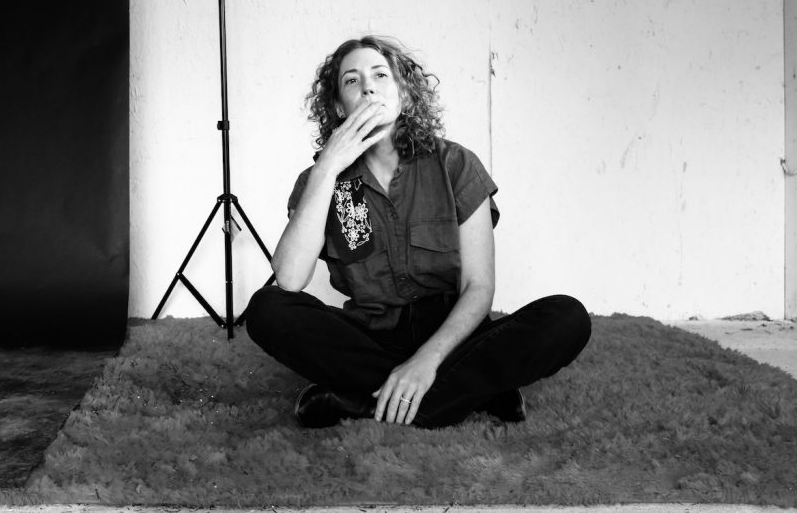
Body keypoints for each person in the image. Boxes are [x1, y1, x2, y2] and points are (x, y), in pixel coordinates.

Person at [245, 35, 591, 429]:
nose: (368, 87)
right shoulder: (321, 181)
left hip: (453, 338)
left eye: (380, 75)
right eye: (352, 80)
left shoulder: (455, 164)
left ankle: (366, 402)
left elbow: (478, 287)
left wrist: (427, 360)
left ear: (405, 95)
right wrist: (327, 167)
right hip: (371, 337)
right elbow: (289, 279)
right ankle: (470, 392)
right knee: (266, 309)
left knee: (567, 317)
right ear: (339, 106)